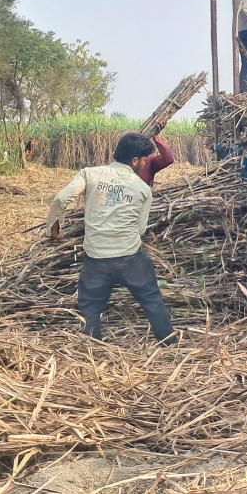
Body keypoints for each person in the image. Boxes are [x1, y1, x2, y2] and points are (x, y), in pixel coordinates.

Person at [47, 132, 176, 345]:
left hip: (96, 257)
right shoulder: (143, 189)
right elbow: (140, 229)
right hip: (130, 258)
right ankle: (169, 343)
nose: (144, 164)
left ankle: (93, 345)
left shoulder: (90, 174)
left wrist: (53, 228)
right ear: (135, 160)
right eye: (144, 160)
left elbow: (62, 198)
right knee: (152, 299)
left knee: (90, 304)